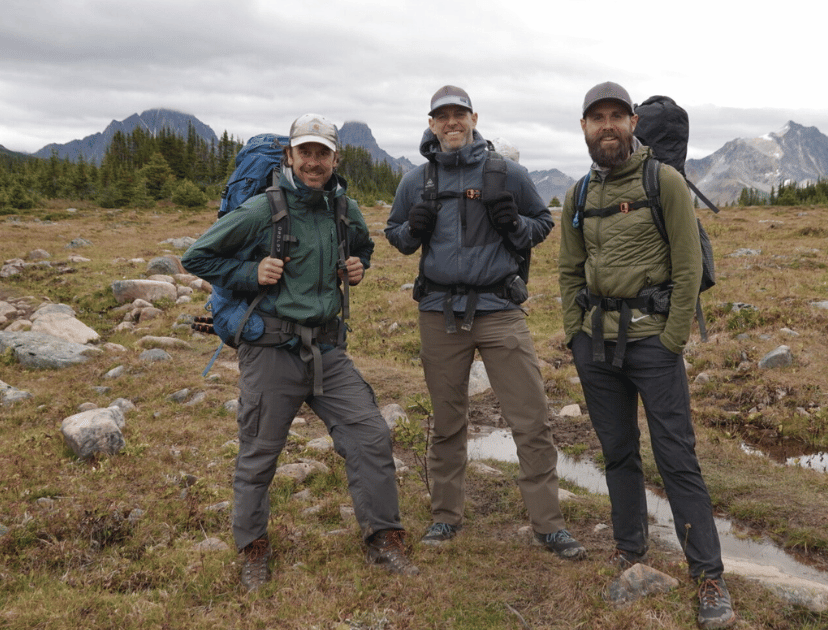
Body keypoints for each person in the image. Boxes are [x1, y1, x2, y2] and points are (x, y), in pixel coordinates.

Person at [182, 113, 418, 591]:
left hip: (328, 348)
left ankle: (383, 539)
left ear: (335, 158)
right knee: (260, 453)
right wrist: (251, 275)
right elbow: (197, 256)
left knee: (370, 435)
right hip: (270, 349)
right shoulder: (259, 210)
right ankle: (253, 550)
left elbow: (365, 249)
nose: (314, 162)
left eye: (322, 153)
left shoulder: (342, 207)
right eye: (305, 152)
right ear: (289, 156)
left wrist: (357, 267)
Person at [557, 82, 736, 629]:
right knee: (617, 453)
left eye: (617, 116)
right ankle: (629, 549)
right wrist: (574, 334)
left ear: (633, 123)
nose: (607, 126)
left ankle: (709, 578)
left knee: (677, 459)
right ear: (584, 128)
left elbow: (686, 267)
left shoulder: (665, 183)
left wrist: (671, 339)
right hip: (597, 347)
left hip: (653, 344)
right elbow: (568, 270)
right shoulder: (578, 194)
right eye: (596, 118)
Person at [385, 86, 585, 560]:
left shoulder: (507, 173)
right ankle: (445, 518)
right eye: (442, 116)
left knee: (532, 420)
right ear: (431, 123)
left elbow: (542, 223)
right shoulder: (416, 180)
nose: (451, 123)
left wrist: (514, 225)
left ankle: (548, 526)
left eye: (459, 114)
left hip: (500, 310)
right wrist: (413, 228)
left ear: (474, 117)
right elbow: (396, 238)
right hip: (439, 313)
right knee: (448, 421)